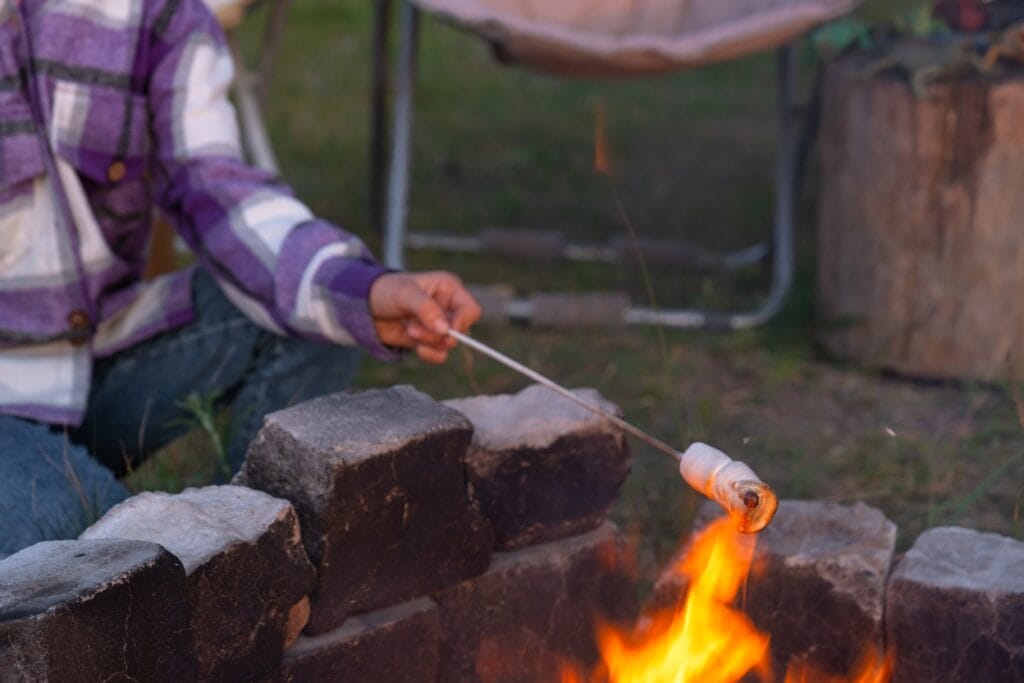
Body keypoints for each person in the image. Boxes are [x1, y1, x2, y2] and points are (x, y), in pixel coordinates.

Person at [0, 0, 480, 557]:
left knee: (324, 304)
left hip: (102, 354)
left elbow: (215, 185)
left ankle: (267, 553)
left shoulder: (159, 15)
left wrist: (364, 292)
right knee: (100, 553)